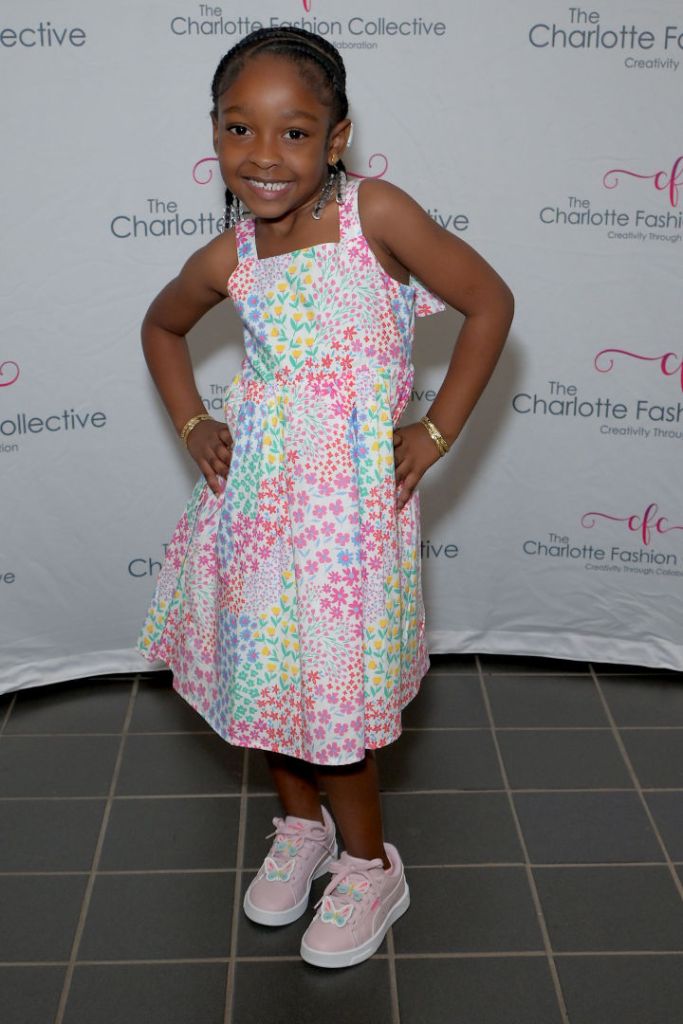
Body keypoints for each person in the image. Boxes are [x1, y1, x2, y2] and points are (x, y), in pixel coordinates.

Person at [137, 25, 513, 969]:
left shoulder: (373, 216)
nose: (263, 154)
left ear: (337, 138)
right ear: (214, 134)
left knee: (334, 702)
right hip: (256, 514)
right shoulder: (234, 253)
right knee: (271, 682)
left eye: (294, 132)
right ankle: (301, 830)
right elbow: (160, 328)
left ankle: (368, 866)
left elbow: (490, 303)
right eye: (239, 128)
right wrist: (193, 423)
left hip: (346, 523)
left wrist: (433, 433)